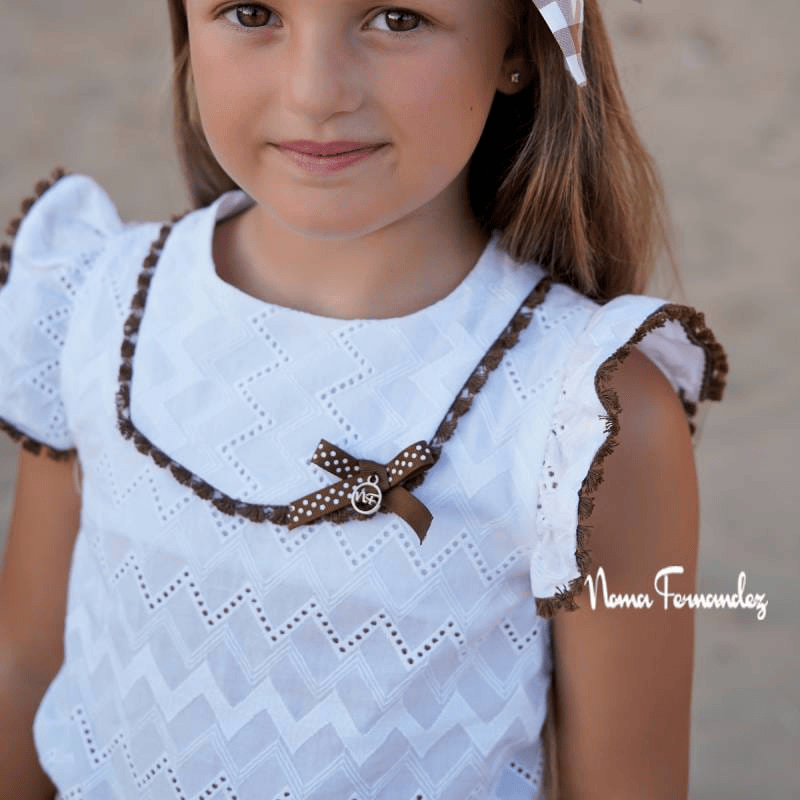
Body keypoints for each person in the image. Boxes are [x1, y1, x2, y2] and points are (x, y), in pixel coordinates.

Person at [0, 1, 729, 798]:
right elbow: (25, 668)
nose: (316, 92)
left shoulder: (587, 413)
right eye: (252, 12)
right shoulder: (95, 305)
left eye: (396, 18)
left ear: (517, 45)